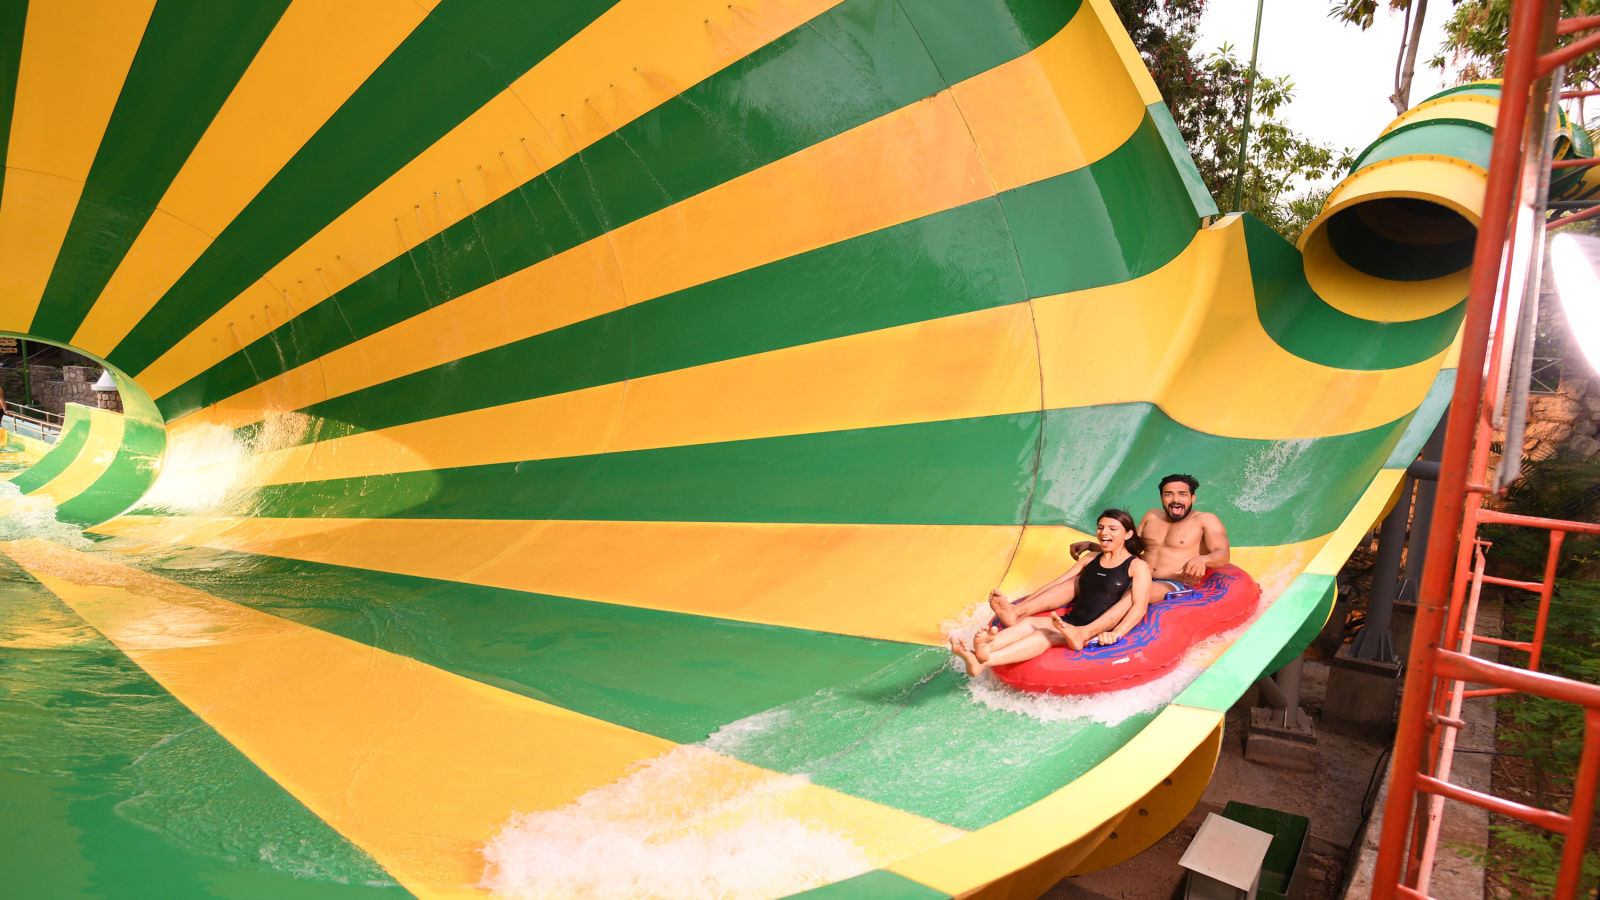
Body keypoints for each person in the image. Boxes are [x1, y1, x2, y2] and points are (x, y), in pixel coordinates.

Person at [976, 473, 1231, 653]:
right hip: (1136, 571)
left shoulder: (1205, 520)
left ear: (1193, 498)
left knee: (1134, 591)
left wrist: (1203, 558)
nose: (1175, 499)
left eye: (1182, 494)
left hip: (1170, 582)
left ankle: (1086, 632)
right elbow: (1131, 547)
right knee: (1080, 580)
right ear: (1162, 497)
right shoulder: (1152, 517)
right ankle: (1017, 612)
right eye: (1169, 494)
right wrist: (1095, 547)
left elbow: (1222, 554)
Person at [949, 509, 1152, 677]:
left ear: (1128, 534)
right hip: (1072, 619)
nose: (1104, 532)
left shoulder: (1136, 566)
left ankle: (987, 660)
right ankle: (981, 654)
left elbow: (1139, 606)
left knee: (1044, 635)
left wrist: (1115, 634)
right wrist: (1020, 606)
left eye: (1112, 529)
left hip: (1094, 629)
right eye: (1100, 527)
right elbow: (1057, 583)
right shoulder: (1091, 558)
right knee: (1028, 623)